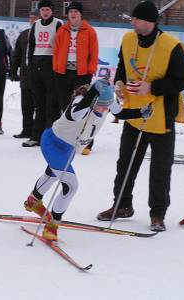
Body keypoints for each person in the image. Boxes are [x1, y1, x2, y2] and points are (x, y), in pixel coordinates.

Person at [96, 1, 184, 232]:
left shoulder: (171, 46)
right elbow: (122, 66)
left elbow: (183, 80)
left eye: (136, 19)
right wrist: (118, 81)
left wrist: (153, 88)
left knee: (160, 168)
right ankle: (121, 205)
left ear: (149, 21)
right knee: (125, 163)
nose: (133, 22)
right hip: (134, 113)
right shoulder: (129, 39)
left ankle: (157, 214)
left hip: (161, 116)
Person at [23, 79, 153, 241]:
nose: (104, 110)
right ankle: (53, 225)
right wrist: (93, 92)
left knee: (53, 174)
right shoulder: (80, 102)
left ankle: (33, 200)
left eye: (107, 106)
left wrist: (140, 112)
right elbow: (75, 115)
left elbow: (119, 113)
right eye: (100, 106)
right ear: (92, 99)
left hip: (68, 148)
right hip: (53, 143)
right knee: (71, 185)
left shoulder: (105, 100)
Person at [53, 1, 99, 155]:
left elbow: (94, 53)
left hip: (82, 73)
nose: (73, 14)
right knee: (65, 106)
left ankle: (86, 142)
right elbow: (56, 50)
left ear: (81, 14)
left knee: (82, 107)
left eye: (76, 12)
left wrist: (89, 71)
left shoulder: (89, 31)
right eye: (70, 11)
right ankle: (68, 139)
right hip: (63, 73)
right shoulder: (62, 30)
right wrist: (57, 67)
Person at [23, 0, 63, 147]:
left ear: (52, 11)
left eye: (47, 9)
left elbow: (61, 46)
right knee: (38, 104)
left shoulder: (58, 24)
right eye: (42, 10)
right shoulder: (36, 25)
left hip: (51, 67)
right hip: (36, 67)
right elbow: (31, 46)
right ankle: (36, 136)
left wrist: (57, 67)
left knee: (52, 105)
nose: (45, 12)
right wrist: (30, 67)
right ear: (39, 11)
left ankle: (51, 138)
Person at [11, 11, 39, 139]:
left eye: (35, 18)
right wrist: (13, 70)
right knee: (26, 105)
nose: (32, 20)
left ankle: (38, 131)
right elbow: (16, 54)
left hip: (39, 76)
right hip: (25, 76)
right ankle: (26, 129)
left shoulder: (43, 35)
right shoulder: (23, 35)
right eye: (31, 18)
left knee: (39, 106)